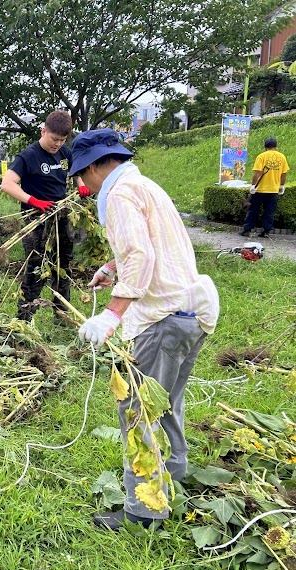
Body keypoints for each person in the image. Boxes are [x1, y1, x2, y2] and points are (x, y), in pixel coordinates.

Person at [70, 129, 219, 530]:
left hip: (161, 319)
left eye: (83, 173)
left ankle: (144, 511)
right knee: (167, 401)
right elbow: (150, 245)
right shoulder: (144, 185)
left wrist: (112, 314)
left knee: (138, 411)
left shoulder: (118, 195)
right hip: (191, 312)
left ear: (100, 165)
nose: (83, 183)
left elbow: (139, 252)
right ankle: (175, 472)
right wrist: (111, 268)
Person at [0, 110, 91, 321]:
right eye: (54, 139)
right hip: (36, 218)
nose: (57, 144)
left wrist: (81, 185)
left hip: (61, 214)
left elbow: (75, 172)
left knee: (62, 266)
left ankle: (61, 316)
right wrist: (34, 201)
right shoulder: (28, 156)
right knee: (36, 268)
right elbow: (7, 184)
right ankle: (24, 319)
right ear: (44, 131)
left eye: (61, 140)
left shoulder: (65, 152)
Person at [241, 137, 289, 238]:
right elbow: (284, 173)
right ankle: (266, 231)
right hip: (273, 190)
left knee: (253, 210)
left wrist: (253, 185)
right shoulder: (282, 157)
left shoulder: (261, 156)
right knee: (269, 212)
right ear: (276, 146)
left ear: (265, 146)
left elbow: (257, 173)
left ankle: (247, 230)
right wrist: (282, 185)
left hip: (260, 189)